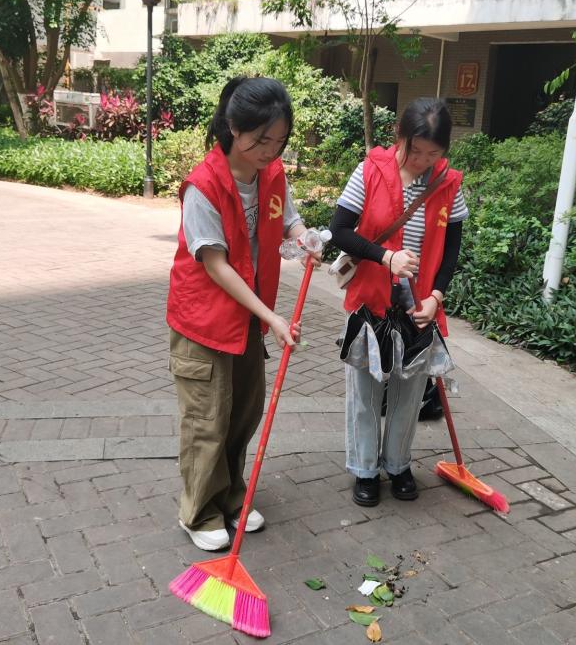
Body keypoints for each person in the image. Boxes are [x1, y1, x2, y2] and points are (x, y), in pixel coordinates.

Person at [166, 76, 316, 551]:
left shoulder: (271, 174)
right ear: (234, 127)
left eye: (279, 141)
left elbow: (288, 219)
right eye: (261, 140)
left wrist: (304, 238)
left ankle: (232, 498)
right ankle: (199, 511)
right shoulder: (204, 185)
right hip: (204, 320)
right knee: (207, 420)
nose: (270, 151)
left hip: (249, 320)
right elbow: (216, 265)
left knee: (242, 414)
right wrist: (271, 317)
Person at [330, 98, 467, 507]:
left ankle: (398, 464)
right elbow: (340, 230)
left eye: (433, 153)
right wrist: (385, 257)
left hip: (419, 307)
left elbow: (452, 251)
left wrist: (437, 297)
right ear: (399, 136)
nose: (423, 161)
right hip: (371, 301)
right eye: (415, 151)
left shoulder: (449, 184)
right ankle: (364, 469)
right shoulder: (370, 171)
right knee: (366, 391)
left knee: (410, 394)